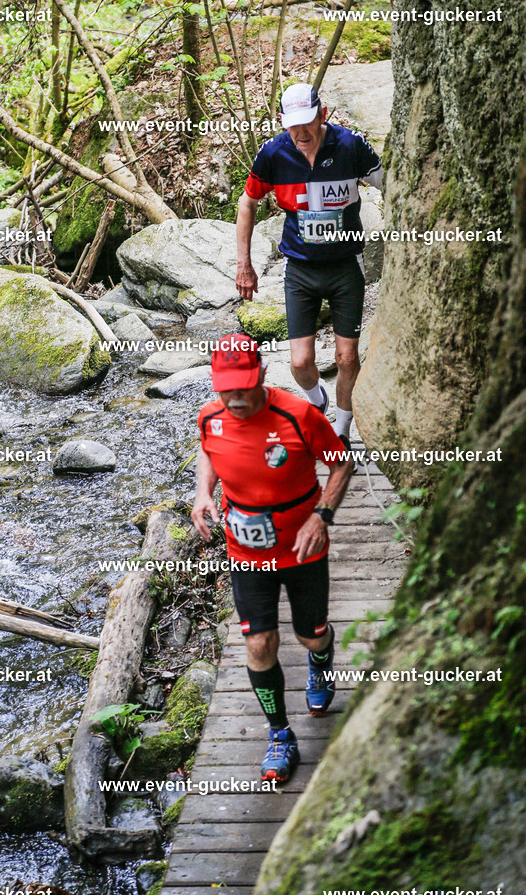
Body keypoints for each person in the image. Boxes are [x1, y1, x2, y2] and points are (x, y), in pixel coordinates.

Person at [191, 334, 353, 782]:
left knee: (310, 636)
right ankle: (280, 735)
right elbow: (209, 450)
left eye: (243, 386)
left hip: (303, 549)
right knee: (260, 644)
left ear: (261, 373)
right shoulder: (210, 417)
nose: (236, 398)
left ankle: (321, 666)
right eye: (226, 388)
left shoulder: (298, 415)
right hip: (246, 551)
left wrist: (322, 517)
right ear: (214, 383)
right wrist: (203, 493)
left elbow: (341, 464)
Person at [236, 81, 383, 452]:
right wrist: (245, 265)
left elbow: (394, 186)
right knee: (300, 361)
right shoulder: (273, 153)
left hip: (346, 265)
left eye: (307, 122)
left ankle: (343, 429)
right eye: (292, 124)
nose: (301, 132)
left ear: (323, 114)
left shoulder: (350, 145)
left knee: (347, 356)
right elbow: (247, 204)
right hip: (300, 268)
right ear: (283, 122)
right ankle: (317, 400)